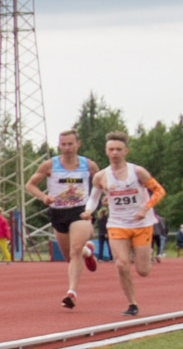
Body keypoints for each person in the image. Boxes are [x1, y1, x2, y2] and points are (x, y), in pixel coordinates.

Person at [96, 133, 166, 316]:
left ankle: (146, 252)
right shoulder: (103, 176)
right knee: (121, 264)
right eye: (111, 149)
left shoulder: (138, 172)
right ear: (106, 151)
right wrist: (106, 201)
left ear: (125, 151)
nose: (115, 153)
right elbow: (98, 196)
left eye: (118, 149)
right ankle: (132, 303)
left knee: (143, 271)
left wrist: (145, 208)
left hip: (141, 224)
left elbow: (159, 191)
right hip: (117, 224)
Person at [33, 129, 100, 309]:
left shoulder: (89, 165)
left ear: (78, 144)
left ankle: (71, 293)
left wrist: (98, 203)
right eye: (63, 144)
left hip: (80, 211)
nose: (67, 148)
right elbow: (30, 185)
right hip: (58, 212)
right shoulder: (50, 165)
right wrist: (43, 197)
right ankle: (88, 252)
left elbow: (100, 184)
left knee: (75, 250)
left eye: (70, 144)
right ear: (59, 145)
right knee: (71, 257)